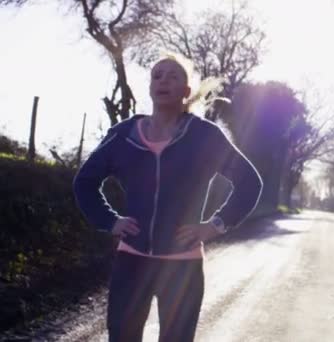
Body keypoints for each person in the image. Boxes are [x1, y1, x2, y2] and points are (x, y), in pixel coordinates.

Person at [73, 54, 263, 342]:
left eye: (173, 76)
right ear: (150, 87)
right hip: (132, 261)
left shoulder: (204, 136)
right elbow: (84, 182)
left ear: (186, 92)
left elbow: (249, 183)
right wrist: (109, 221)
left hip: (182, 266)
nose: (163, 80)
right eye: (157, 75)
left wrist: (214, 225)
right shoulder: (123, 135)